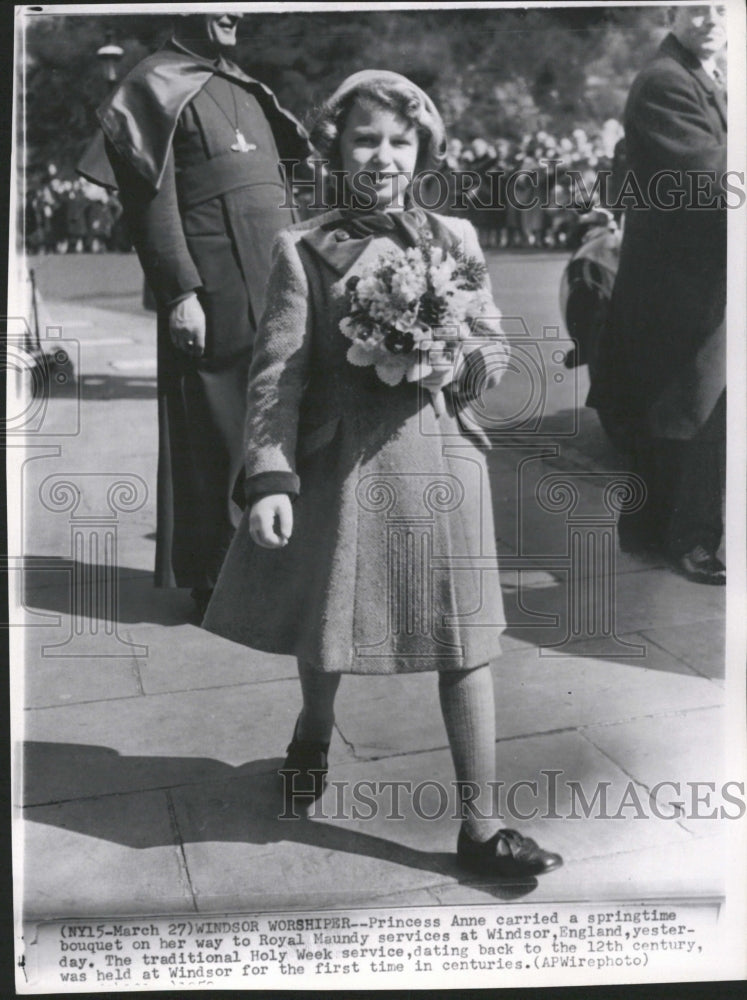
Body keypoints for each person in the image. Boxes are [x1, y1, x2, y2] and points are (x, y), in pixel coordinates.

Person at [203, 70, 562, 878]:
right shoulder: (304, 248)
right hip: (349, 466)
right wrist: (269, 477)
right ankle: (312, 734)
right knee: (329, 627)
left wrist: (461, 359)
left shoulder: (455, 238)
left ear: (422, 150)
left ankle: (482, 826)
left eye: (400, 141)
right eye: (365, 137)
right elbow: (278, 375)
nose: (382, 156)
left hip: (444, 458)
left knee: (465, 638)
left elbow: (493, 341)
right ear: (335, 145)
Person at [93, 13, 312, 615]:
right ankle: (219, 578)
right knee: (215, 431)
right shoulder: (150, 84)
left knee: (277, 420)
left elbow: (286, 188)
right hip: (212, 291)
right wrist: (180, 293)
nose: (235, 11)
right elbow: (149, 203)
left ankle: (281, 565)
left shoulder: (243, 84)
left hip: (276, 279)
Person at [587, 4, 727, 584]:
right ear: (672, 12)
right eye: (699, 7)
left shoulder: (701, 73)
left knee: (680, 409)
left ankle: (655, 533)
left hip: (689, 273)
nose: (713, 17)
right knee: (690, 412)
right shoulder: (668, 79)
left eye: (723, 6)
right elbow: (710, 177)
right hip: (682, 278)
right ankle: (685, 541)